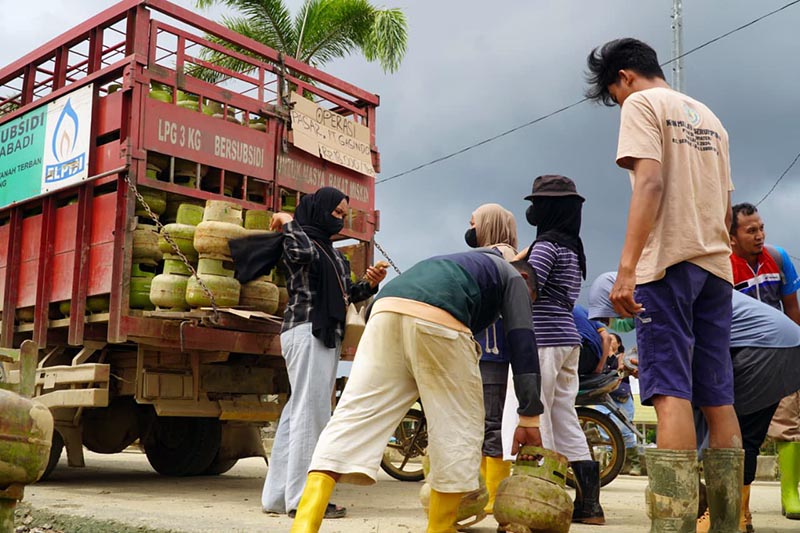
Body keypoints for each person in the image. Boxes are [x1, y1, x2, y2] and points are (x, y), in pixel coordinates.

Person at [586, 37, 742, 532]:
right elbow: (723, 208)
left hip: (668, 265)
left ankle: (672, 526)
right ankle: (725, 524)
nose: (618, 102)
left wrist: (628, 268)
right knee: (718, 397)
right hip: (717, 269)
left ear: (624, 77)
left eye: (613, 93)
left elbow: (649, 183)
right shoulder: (711, 119)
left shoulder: (641, 104)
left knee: (670, 391)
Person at [289, 250, 545, 533]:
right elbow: (522, 342)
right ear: (524, 278)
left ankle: (303, 526)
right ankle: (440, 528)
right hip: (439, 318)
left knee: (351, 419)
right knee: (459, 428)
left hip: (384, 314)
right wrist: (529, 416)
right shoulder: (514, 279)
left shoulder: (457, 262)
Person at [589, 271, 800, 532]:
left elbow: (673, 376)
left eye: (617, 312)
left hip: (763, 348)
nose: (621, 320)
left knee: (726, 420)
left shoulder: (654, 296)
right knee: (736, 426)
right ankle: (732, 517)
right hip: (782, 344)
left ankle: (716, 514)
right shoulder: (695, 281)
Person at [230, 187, 388, 518]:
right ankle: (303, 500)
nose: (341, 220)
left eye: (344, 215)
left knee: (296, 414)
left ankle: (276, 496)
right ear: (319, 210)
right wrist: (289, 221)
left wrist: (370, 284)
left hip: (324, 334)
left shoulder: (333, 254)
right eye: (337, 213)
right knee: (311, 413)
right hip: (306, 331)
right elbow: (301, 254)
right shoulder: (299, 241)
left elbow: (348, 295)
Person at [509, 174, 605, 525]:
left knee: (539, 415)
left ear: (549, 209)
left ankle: (541, 500)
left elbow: (527, 289)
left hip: (544, 338)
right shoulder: (574, 247)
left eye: (537, 204)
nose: (532, 211)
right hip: (569, 338)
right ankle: (589, 506)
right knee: (564, 417)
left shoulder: (546, 246)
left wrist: (511, 267)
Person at [729, 202, 800, 524]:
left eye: (761, 228)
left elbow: (792, 309)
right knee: (743, 434)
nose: (760, 236)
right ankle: (741, 509)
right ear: (731, 237)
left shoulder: (779, 258)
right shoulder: (724, 267)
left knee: (787, 423)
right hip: (741, 355)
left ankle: (790, 494)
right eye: (751, 230)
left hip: (779, 350)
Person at [465, 203, 519, 515]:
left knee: (491, 423)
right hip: (493, 351)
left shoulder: (499, 255)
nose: (470, 229)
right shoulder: (508, 253)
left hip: (493, 352)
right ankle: (489, 489)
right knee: (491, 422)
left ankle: (494, 495)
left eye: (474, 223)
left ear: (487, 224)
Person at [598, 332, 641, 476]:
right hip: (604, 396)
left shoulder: (625, 357)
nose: (609, 341)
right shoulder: (601, 357)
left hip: (621, 397)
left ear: (619, 343)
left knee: (625, 430)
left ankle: (635, 464)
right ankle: (615, 464)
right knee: (604, 429)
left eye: (612, 340)